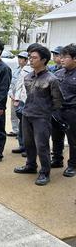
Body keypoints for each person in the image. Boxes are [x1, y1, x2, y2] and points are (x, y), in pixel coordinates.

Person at [14, 44, 63, 186]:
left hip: (42, 117)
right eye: (30, 57)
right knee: (28, 143)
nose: (30, 60)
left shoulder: (52, 79)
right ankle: (30, 165)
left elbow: (58, 101)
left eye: (34, 57)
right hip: (27, 114)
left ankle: (45, 172)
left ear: (44, 60)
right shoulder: (28, 77)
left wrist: (45, 111)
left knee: (42, 146)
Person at [51, 44, 76, 177]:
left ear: (74, 58)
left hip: (72, 112)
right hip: (57, 111)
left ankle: (73, 165)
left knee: (73, 140)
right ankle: (57, 159)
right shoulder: (58, 73)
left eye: (65, 57)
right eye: (61, 56)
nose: (61, 59)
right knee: (56, 137)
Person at [11, 51, 32, 155]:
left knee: (30, 126)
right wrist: (16, 98)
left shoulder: (38, 70)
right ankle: (22, 145)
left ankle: (30, 148)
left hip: (32, 102)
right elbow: (18, 84)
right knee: (22, 124)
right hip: (22, 100)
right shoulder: (23, 70)